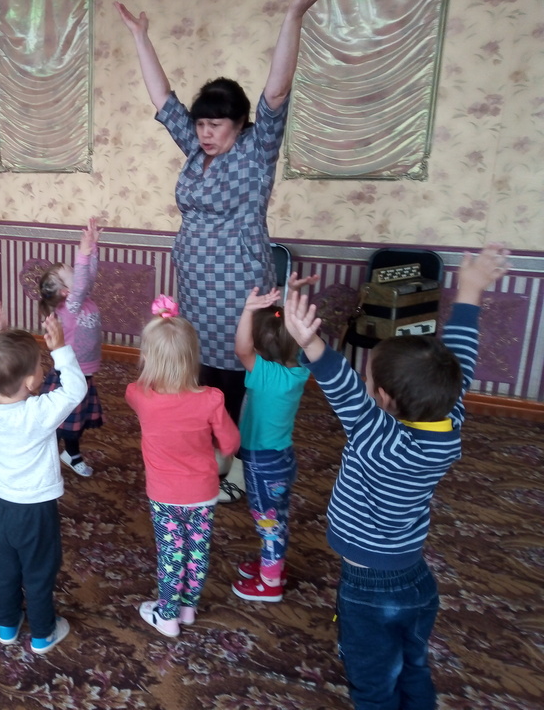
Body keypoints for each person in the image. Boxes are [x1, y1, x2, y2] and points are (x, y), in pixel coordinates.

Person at [115, 0, 341, 501]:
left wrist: (294, 15)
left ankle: (237, 462)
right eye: (200, 124)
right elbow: (163, 98)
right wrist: (141, 38)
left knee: (241, 367)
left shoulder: (257, 151)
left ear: (240, 123)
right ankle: (210, 448)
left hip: (240, 286)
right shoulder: (196, 150)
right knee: (203, 369)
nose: (205, 132)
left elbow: (277, 89)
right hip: (197, 285)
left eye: (216, 124)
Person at [281, 244, 510, 709]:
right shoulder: (448, 419)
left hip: (370, 591)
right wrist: (470, 291)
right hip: (414, 579)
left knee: (373, 684)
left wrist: (309, 342)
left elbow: (341, 386)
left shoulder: (380, 438)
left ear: (383, 397)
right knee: (413, 666)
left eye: (371, 382)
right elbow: (459, 362)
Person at [125, 296, 241, 638]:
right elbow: (231, 443)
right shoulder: (212, 399)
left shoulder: (139, 396)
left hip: (165, 496)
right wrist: (216, 446)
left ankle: (167, 616)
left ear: (147, 359)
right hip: (204, 492)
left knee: (171, 553)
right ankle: (189, 608)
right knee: (197, 550)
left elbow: (135, 389)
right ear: (193, 358)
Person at [0, 299, 87, 654]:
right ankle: (42, 633)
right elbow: (75, 390)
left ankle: (7, 625)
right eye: (40, 366)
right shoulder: (37, 413)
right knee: (39, 570)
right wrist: (61, 350)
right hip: (35, 511)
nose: (44, 370)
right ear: (28, 382)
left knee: (4, 569)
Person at [230, 280, 312, 603]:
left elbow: (241, 349)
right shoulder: (299, 369)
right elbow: (297, 330)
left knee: (268, 522)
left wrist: (247, 310)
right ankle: (272, 565)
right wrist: (294, 293)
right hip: (281, 459)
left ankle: (270, 582)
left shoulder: (266, 374)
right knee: (277, 517)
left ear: (261, 345)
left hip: (262, 463)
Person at [37, 217, 104, 478]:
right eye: (73, 273)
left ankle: (66, 452)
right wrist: (83, 253)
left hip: (84, 372)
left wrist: (92, 249)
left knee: (78, 419)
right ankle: (60, 454)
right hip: (71, 372)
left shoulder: (81, 299)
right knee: (66, 422)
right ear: (66, 292)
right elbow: (84, 281)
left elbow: (89, 278)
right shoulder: (71, 306)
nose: (79, 273)